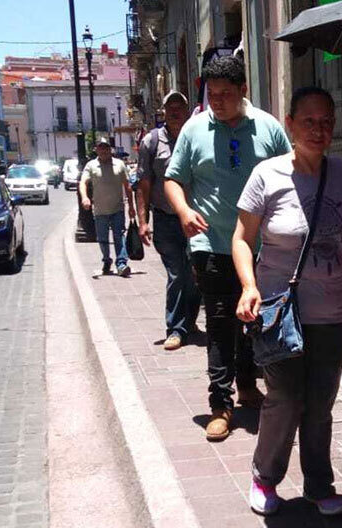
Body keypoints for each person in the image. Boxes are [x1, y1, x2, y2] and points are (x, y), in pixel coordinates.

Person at [234, 86, 342, 516]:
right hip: (281, 310)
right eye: (309, 121)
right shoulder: (266, 176)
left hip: (333, 310)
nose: (319, 130)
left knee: (320, 401)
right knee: (285, 398)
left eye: (327, 122)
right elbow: (242, 239)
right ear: (289, 123)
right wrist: (249, 286)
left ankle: (319, 484)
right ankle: (265, 478)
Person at [164, 54, 291, 441]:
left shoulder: (267, 128)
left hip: (260, 247)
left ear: (243, 91)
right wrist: (184, 210)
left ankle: (248, 383)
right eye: (211, 93)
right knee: (219, 323)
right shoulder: (194, 129)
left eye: (225, 94)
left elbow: (290, 173)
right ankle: (220, 403)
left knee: (253, 319)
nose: (216, 101)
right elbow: (174, 179)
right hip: (211, 243)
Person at [137, 91, 202, 351]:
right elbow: (143, 183)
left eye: (180, 106)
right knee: (177, 273)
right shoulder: (151, 142)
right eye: (170, 107)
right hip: (165, 219)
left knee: (196, 273)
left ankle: (190, 322)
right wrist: (143, 221)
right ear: (163, 111)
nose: (175, 111)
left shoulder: (197, 137)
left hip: (196, 219)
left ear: (187, 111)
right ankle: (175, 328)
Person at [81, 137, 136, 277]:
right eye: (101, 147)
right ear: (96, 150)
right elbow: (83, 183)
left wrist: (131, 206)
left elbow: (128, 186)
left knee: (119, 236)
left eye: (106, 147)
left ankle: (122, 263)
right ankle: (106, 260)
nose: (104, 150)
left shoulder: (119, 164)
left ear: (110, 149)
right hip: (100, 210)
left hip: (117, 208)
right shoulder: (91, 165)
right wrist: (85, 197)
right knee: (102, 239)